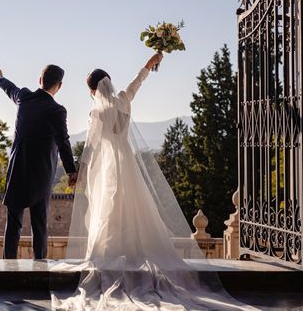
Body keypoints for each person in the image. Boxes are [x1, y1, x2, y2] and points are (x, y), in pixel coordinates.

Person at [52, 52, 256, 310]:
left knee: (108, 210)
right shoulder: (124, 100)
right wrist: (151, 62)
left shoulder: (96, 112)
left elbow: (91, 149)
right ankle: (135, 252)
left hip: (107, 170)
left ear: (93, 89)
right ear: (110, 83)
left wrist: (77, 175)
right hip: (128, 165)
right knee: (135, 208)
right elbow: (138, 81)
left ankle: (109, 254)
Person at [0, 64, 77, 259]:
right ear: (60, 85)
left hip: (18, 171)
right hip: (41, 174)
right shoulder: (57, 110)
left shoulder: (24, 97)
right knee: (40, 226)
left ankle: (8, 268)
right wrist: (71, 172)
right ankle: (39, 266)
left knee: (13, 224)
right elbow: (63, 142)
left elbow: (9, 89)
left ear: (39, 80)